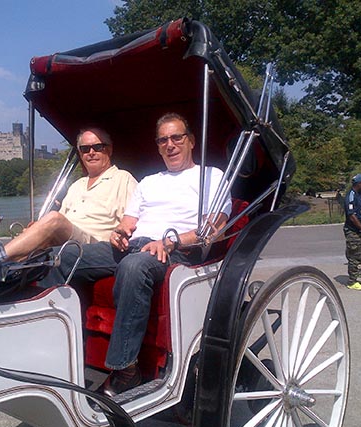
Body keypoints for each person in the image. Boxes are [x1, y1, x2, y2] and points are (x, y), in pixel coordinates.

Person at [39, 113, 232, 396]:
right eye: (163, 140)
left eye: (176, 137)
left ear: (191, 141)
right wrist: (119, 233)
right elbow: (128, 222)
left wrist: (170, 242)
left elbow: (213, 229)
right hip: (135, 245)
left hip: (177, 251)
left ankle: (126, 368)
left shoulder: (211, 176)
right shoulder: (149, 182)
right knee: (60, 256)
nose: (170, 145)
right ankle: (50, 347)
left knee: (133, 266)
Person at [4, 128, 137, 261]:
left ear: (109, 149)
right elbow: (62, 220)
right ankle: (5, 266)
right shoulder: (77, 185)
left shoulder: (123, 179)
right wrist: (40, 228)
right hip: (67, 241)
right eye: (85, 149)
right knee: (36, 235)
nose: (91, 153)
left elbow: (133, 221)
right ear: (80, 153)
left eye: (97, 147)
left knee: (54, 219)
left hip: (97, 246)